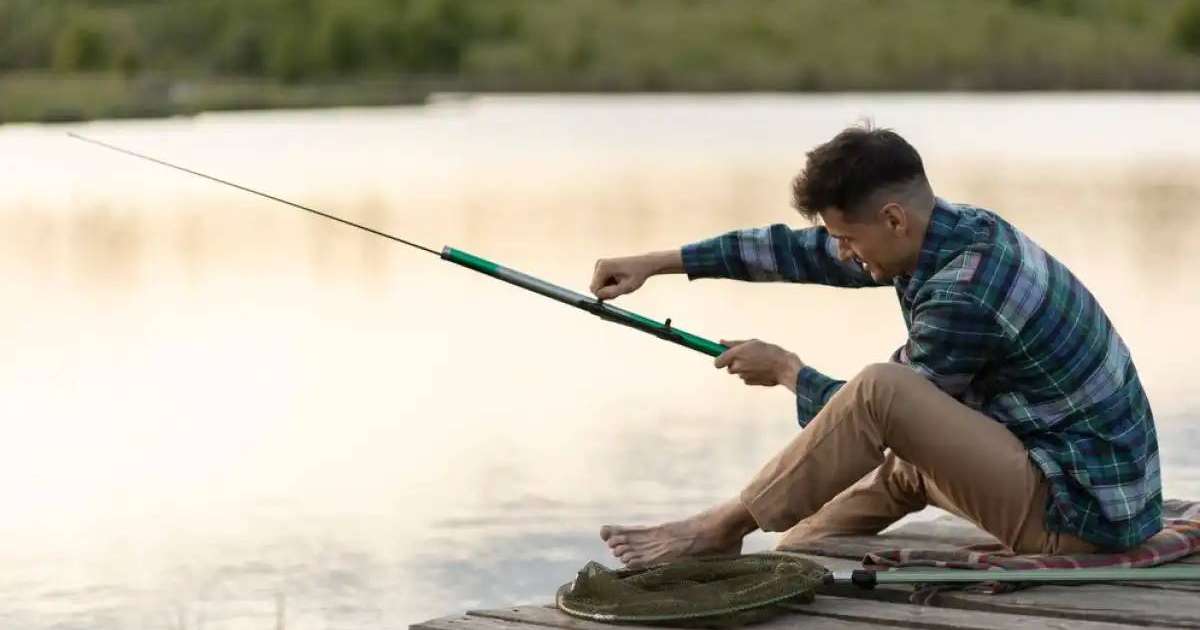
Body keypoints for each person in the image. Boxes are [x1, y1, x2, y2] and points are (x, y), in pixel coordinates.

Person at [588, 125, 1161, 569]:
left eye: (847, 239)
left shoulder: (966, 290)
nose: (840, 253)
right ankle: (780, 554)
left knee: (882, 388)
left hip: (1082, 513)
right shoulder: (945, 232)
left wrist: (788, 371)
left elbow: (878, 410)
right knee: (815, 536)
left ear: (891, 219)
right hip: (1057, 473)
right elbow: (797, 251)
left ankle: (717, 528)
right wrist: (658, 264)